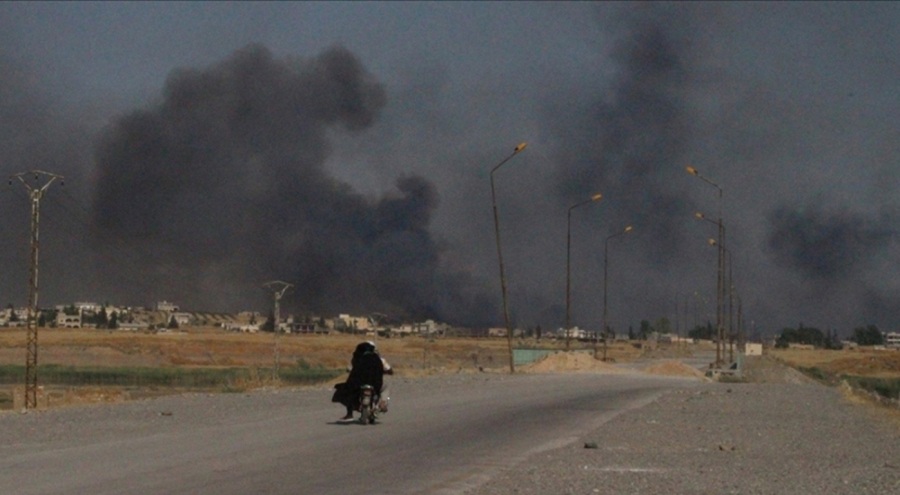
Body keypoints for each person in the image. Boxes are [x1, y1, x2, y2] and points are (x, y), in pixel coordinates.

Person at [336, 341, 392, 420]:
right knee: (385, 387)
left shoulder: (357, 358)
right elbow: (389, 370)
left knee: (349, 391)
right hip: (375, 383)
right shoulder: (379, 359)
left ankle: (349, 413)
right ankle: (383, 402)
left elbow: (349, 369)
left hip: (359, 383)